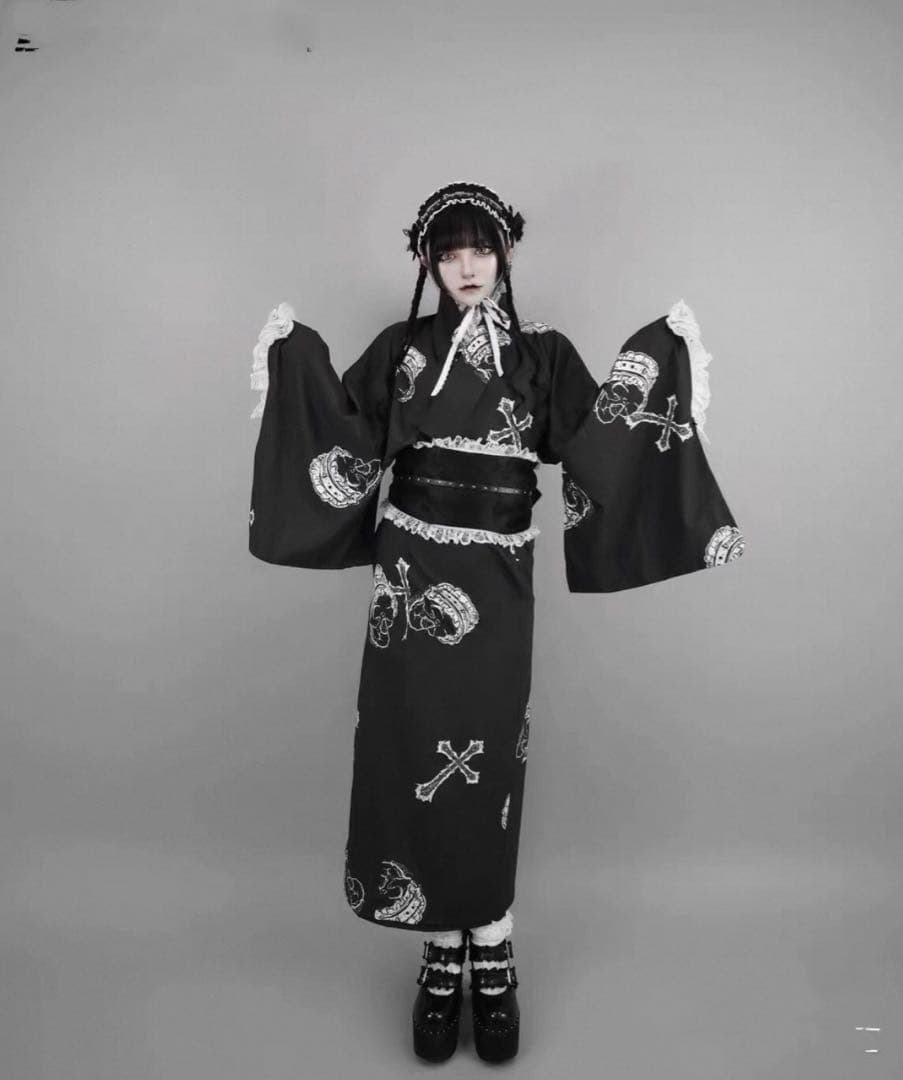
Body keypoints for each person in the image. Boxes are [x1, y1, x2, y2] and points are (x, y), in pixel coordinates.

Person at [247, 181, 745, 1063]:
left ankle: (492, 944)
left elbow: (602, 439)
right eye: (449, 253)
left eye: (480, 250)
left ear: (504, 255)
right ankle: (439, 951)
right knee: (412, 747)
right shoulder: (401, 348)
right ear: (429, 264)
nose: (467, 267)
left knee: (488, 757)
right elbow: (345, 439)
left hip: (498, 574)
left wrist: (659, 357)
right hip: (411, 574)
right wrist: (294, 360)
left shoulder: (541, 354)